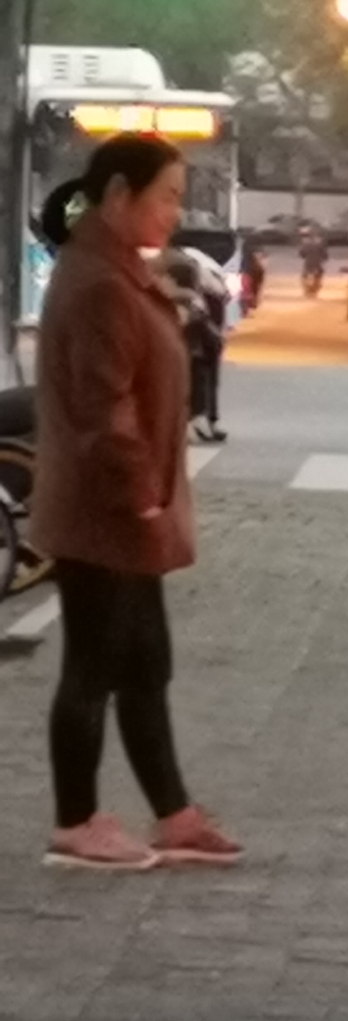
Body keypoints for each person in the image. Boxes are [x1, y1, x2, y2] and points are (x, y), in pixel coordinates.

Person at [30, 138, 243, 873]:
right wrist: (142, 498)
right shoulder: (98, 282)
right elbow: (104, 411)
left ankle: (175, 814)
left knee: (146, 664)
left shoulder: (120, 269)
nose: (175, 212)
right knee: (91, 666)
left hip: (128, 508)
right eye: (168, 196)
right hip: (106, 512)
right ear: (120, 193)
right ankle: (76, 820)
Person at [156, 246, 228, 443]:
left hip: (196, 332)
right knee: (202, 375)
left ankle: (195, 421)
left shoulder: (173, 266)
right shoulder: (196, 262)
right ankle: (203, 420)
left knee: (192, 375)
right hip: (204, 331)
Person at [299, 224, 328, 298]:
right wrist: (324, 258)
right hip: (318, 262)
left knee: (304, 276)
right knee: (318, 276)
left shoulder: (305, 243)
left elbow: (302, 254)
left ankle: (307, 290)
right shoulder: (320, 242)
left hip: (308, 262)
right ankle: (314, 290)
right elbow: (324, 254)